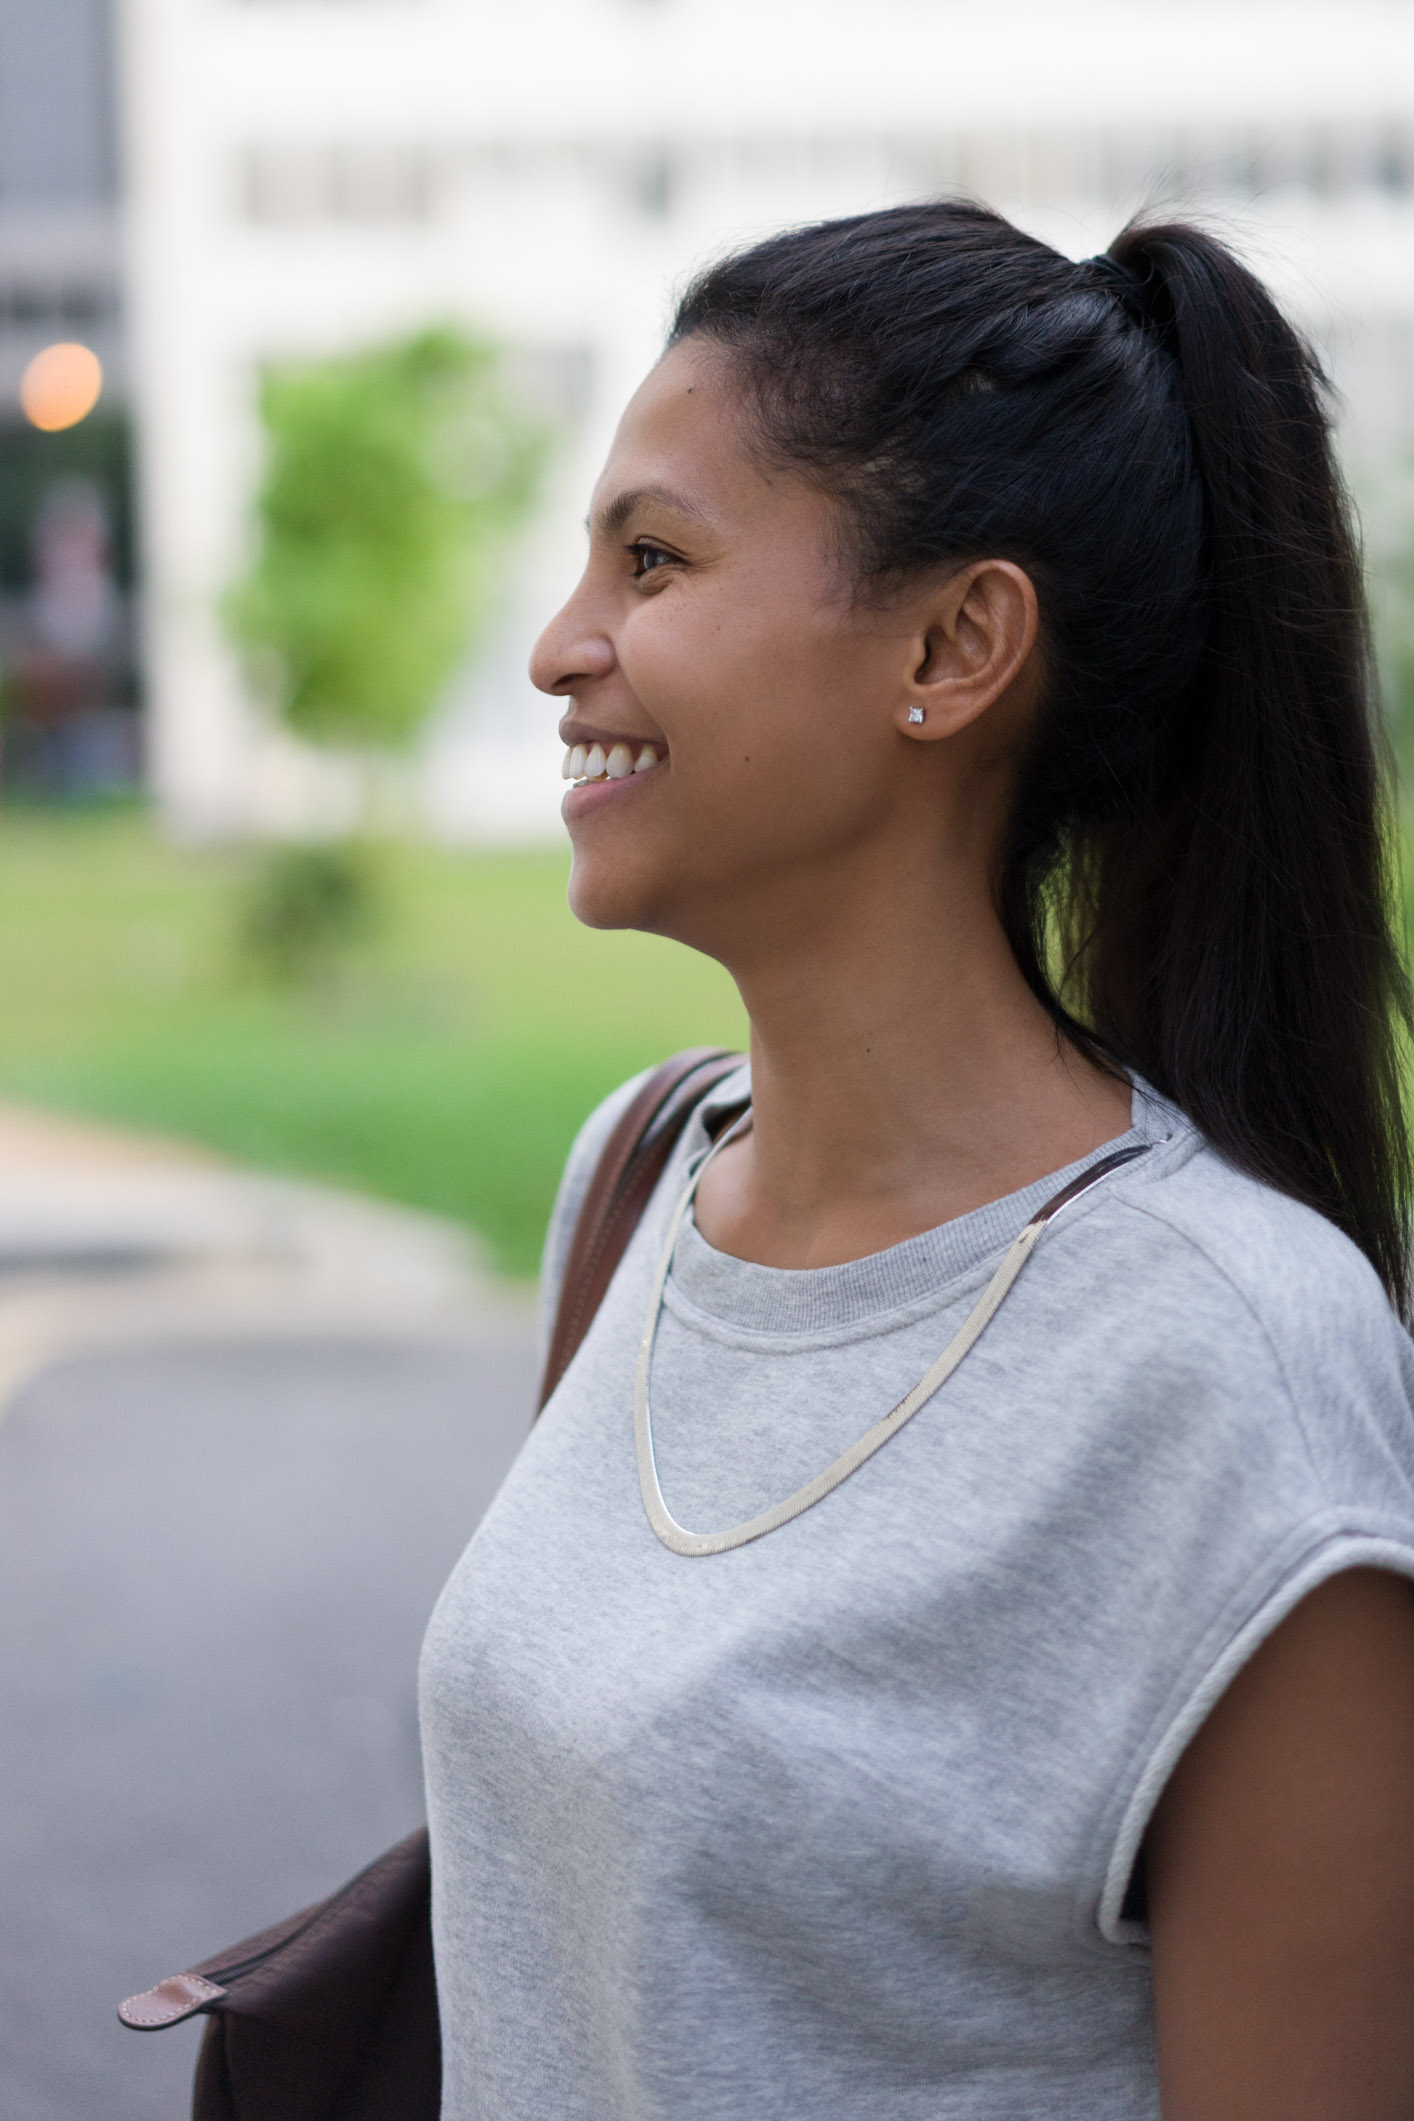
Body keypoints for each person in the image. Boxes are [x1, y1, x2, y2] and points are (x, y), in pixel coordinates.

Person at [419, 202, 1414, 2120]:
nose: (562, 650)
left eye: (652, 557)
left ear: (956, 643)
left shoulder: (1234, 1374)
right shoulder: (641, 1177)